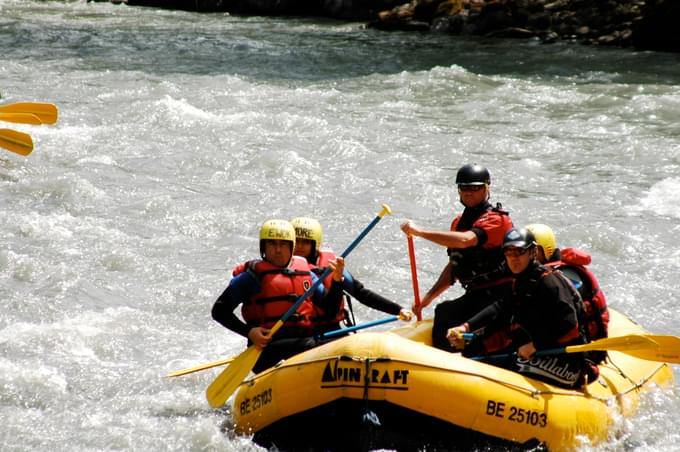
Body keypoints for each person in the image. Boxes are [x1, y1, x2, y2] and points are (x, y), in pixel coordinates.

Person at [447, 228, 591, 389]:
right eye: (509, 253)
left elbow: (569, 327)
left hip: (567, 364)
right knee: (477, 357)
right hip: (540, 355)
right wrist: (466, 327)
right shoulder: (521, 282)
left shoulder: (549, 283)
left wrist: (534, 346)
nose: (514, 259)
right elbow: (500, 311)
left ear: (532, 252)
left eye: (519, 252)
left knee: (507, 364)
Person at [400, 163, 513, 351]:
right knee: (444, 311)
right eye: (464, 188)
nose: (469, 192)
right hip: (475, 293)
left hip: (500, 295)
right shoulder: (457, 223)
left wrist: (420, 233)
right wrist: (426, 299)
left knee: (476, 324)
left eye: (475, 188)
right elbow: (455, 266)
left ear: (487, 187)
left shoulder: (498, 220)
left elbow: (465, 241)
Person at [211, 219, 346, 373]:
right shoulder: (252, 277)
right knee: (310, 345)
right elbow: (219, 310)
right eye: (272, 244)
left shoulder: (306, 273)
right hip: (268, 349)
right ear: (264, 248)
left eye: (283, 244)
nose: (278, 250)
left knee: (341, 340)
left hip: (302, 342)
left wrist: (337, 281)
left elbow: (330, 309)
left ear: (291, 247)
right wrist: (249, 332)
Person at [291, 217, 413, 333]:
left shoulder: (331, 265)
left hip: (334, 329)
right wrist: (336, 281)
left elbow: (361, 293)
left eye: (305, 242)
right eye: (297, 241)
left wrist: (398, 309)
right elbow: (329, 309)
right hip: (306, 333)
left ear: (315, 245)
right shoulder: (287, 269)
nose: (300, 246)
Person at [526, 223, 609, 363]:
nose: (528, 255)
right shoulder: (537, 273)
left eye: (534, 250)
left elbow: (567, 320)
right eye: (525, 250)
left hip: (583, 346)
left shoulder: (564, 277)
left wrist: (536, 344)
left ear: (546, 250)